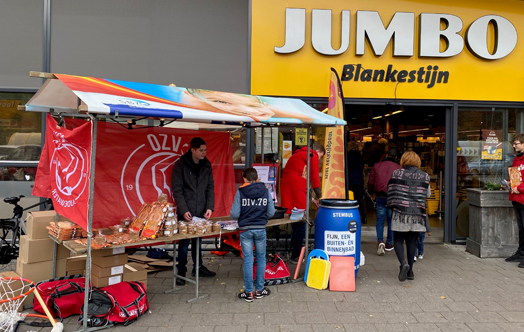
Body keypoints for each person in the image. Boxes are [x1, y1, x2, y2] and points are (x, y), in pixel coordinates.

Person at [171, 137, 216, 285]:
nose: (204, 153)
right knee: (184, 243)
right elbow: (177, 190)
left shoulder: (207, 165)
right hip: (187, 211)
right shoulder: (180, 165)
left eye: (205, 150)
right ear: (193, 150)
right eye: (201, 150)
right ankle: (181, 271)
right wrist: (183, 210)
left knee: (199, 240)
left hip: (201, 209)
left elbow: (210, 187)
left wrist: (210, 207)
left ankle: (198, 267)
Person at [230, 168, 275, 302]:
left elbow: (234, 214)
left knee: (248, 260)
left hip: (245, 230)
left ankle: (249, 293)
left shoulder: (240, 192)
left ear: (244, 179)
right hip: (260, 228)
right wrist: (262, 217)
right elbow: (271, 212)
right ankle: (260, 290)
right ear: (256, 178)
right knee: (261, 258)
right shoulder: (265, 191)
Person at [386, 151, 432, 281]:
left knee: (398, 240)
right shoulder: (425, 176)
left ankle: (403, 263)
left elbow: (390, 189)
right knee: (412, 241)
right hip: (417, 214)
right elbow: (427, 195)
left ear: (403, 161)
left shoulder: (396, 173)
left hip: (400, 213)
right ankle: (410, 272)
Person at [280, 141, 325, 263]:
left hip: (289, 188)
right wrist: (319, 196)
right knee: (301, 221)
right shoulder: (312, 155)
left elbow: (303, 178)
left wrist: (311, 199)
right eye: (321, 156)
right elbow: (314, 178)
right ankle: (296, 255)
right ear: (318, 152)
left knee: (295, 220)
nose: (319, 159)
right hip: (297, 188)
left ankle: (294, 252)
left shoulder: (298, 154)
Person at [368, 148, 401, 255]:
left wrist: (371, 192)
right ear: (396, 157)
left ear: (386, 155)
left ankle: (380, 241)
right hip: (394, 196)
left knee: (380, 220)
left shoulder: (377, 165)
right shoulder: (399, 168)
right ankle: (389, 243)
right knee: (391, 220)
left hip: (380, 195)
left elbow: (371, 180)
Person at [505, 134, 524, 267]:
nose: (514, 145)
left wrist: (520, 188)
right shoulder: (517, 159)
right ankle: (521, 252)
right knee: (521, 227)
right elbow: (515, 176)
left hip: (522, 195)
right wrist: (510, 184)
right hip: (516, 196)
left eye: (517, 143)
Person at [346, 142, 367, 224]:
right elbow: (362, 168)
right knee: (360, 200)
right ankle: (364, 217)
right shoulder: (360, 157)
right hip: (358, 180)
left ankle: (348, 215)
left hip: (349, 180)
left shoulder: (346, 156)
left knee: (348, 199)